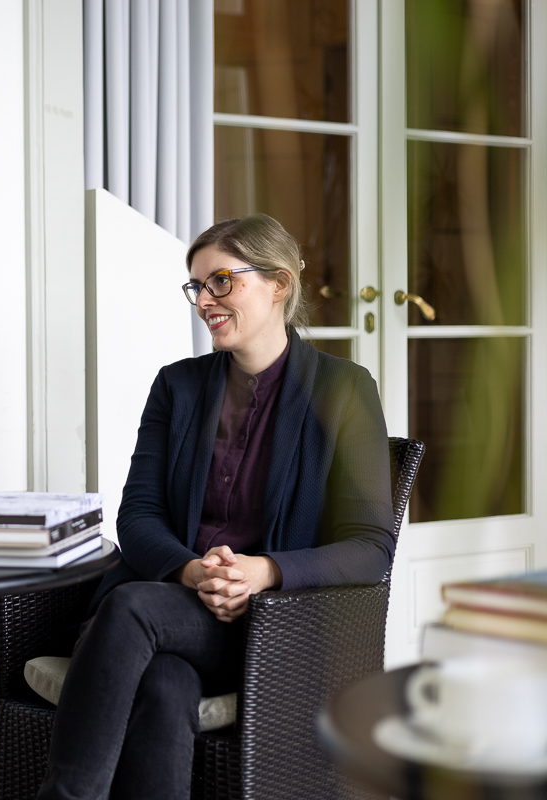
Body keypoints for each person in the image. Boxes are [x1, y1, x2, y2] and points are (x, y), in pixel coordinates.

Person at [35, 214, 394, 800]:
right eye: (196, 287)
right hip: (172, 606)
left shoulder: (344, 390)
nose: (204, 301)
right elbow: (139, 516)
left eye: (221, 282)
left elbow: (371, 547)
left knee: (128, 609)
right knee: (165, 684)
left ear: (278, 284)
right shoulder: (177, 386)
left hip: (271, 626)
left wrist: (264, 572)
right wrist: (192, 570)